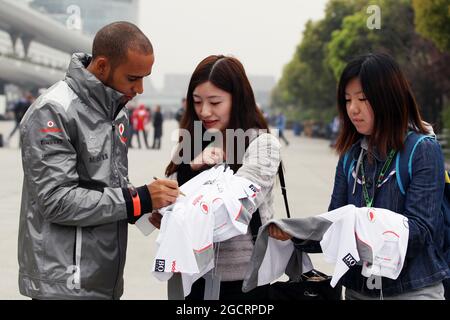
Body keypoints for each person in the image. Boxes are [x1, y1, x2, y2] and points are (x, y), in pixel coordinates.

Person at [18, 21, 180, 300]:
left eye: (145, 77)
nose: (140, 88)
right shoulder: (53, 111)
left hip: (104, 280)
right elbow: (56, 201)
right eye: (132, 78)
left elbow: (108, 185)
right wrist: (138, 199)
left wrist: (142, 210)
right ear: (103, 66)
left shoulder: (116, 112)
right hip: (63, 285)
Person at [269, 53, 450, 300]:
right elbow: (333, 225)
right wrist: (296, 233)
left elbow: (420, 232)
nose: (353, 108)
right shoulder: (351, 156)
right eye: (347, 100)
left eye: (363, 99)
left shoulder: (422, 150)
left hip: (412, 290)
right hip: (357, 291)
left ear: (389, 98)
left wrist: (358, 225)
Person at [150, 55, 281, 300]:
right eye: (198, 102)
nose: (204, 111)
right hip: (194, 277)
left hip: (246, 282)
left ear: (238, 99)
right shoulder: (191, 142)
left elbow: (235, 210)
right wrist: (190, 168)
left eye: (215, 102)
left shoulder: (262, 145)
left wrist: (181, 211)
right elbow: (168, 200)